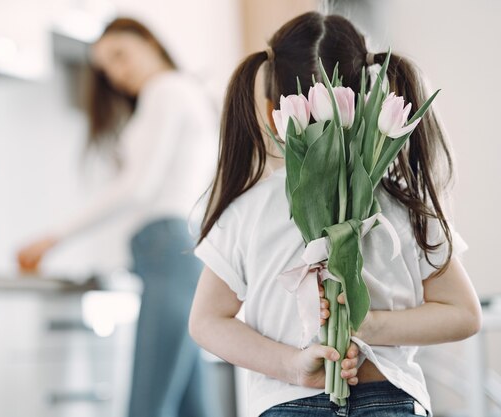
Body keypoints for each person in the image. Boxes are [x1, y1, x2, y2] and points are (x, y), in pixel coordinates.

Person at [188, 11, 482, 417]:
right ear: (369, 96)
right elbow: (463, 314)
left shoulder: (248, 209)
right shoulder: (404, 204)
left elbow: (206, 321)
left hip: (286, 402)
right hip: (390, 398)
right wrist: (371, 327)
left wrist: (293, 366)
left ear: (273, 106)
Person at [17, 17, 219, 417]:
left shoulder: (166, 90)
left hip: (167, 249)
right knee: (190, 406)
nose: (117, 72)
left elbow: (138, 187)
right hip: (182, 252)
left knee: (148, 405)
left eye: (120, 55)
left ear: (149, 42)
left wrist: (54, 237)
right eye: (107, 69)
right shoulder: (186, 93)